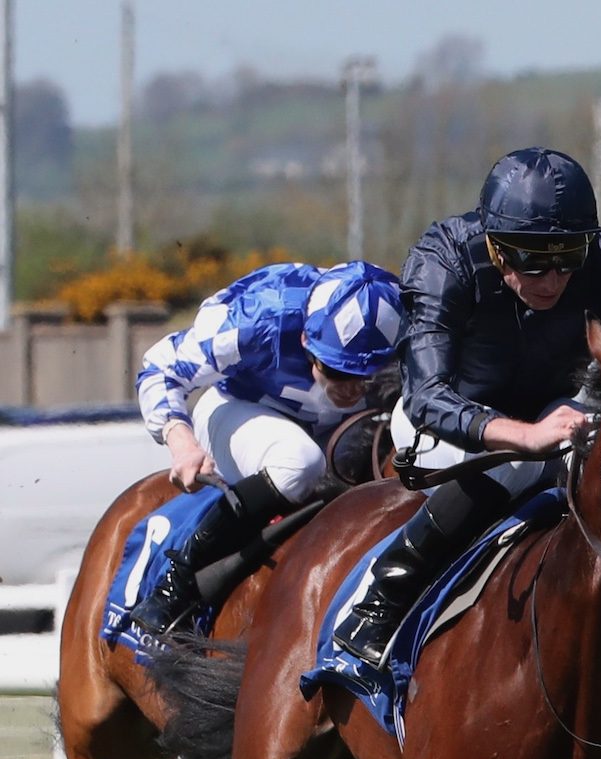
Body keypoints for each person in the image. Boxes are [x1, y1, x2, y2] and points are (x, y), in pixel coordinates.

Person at [331, 145, 601, 666]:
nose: (551, 280)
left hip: (557, 409)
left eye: (567, 258)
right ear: (495, 245)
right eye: (531, 259)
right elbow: (426, 397)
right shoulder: (445, 258)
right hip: (445, 422)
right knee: (518, 461)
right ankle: (382, 597)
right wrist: (526, 437)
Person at [129, 259, 404, 632]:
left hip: (334, 430)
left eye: (364, 376)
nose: (352, 389)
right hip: (240, 407)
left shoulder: (408, 325)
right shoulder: (258, 320)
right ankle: (180, 580)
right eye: (338, 371)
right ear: (306, 339)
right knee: (301, 462)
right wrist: (181, 442)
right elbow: (160, 368)